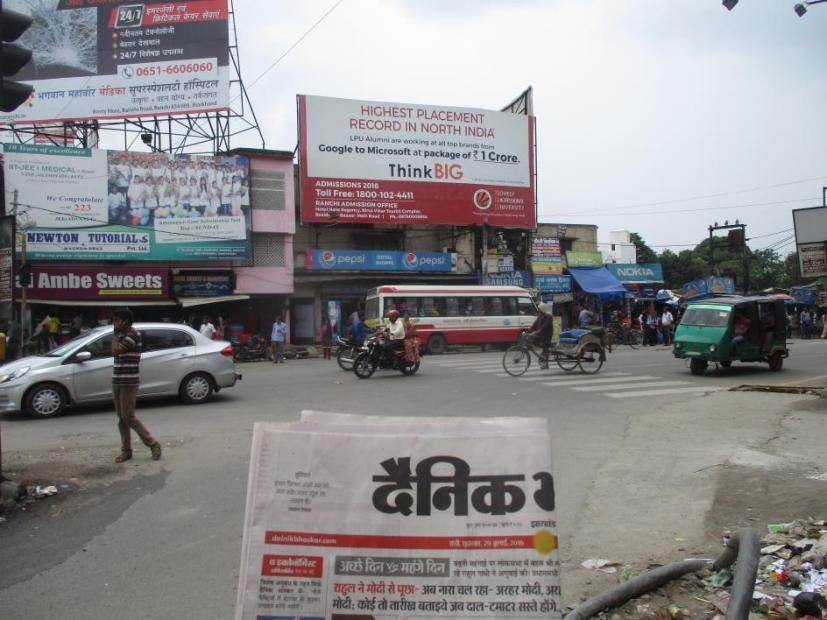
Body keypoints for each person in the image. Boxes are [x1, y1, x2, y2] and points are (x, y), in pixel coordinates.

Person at [111, 308, 161, 463]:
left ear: (125, 321)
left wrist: (114, 336)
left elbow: (115, 351)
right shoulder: (120, 334)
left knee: (129, 417)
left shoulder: (133, 334)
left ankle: (153, 443)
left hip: (129, 381)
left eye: (117, 320)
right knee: (121, 418)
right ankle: (126, 451)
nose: (114, 323)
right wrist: (116, 335)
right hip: (117, 379)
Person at [530, 302, 555, 369]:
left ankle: (546, 364)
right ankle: (542, 355)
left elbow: (544, 327)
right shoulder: (540, 316)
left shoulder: (549, 317)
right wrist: (529, 330)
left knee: (546, 348)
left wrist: (536, 332)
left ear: (542, 310)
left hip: (547, 335)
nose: (539, 311)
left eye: (539, 309)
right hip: (541, 334)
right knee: (537, 343)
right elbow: (534, 325)